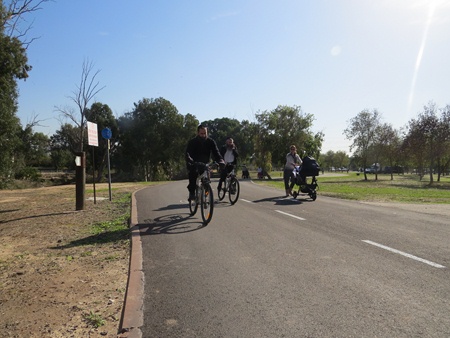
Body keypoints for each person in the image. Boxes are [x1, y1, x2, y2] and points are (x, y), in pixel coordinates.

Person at [185, 125, 224, 200]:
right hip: (194, 163)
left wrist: (220, 160)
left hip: (205, 164)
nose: (203, 135)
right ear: (198, 133)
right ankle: (192, 193)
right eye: (201, 133)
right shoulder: (192, 142)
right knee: (193, 176)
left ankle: (206, 193)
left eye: (205, 133)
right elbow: (187, 153)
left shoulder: (211, 141)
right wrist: (190, 160)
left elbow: (216, 152)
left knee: (206, 181)